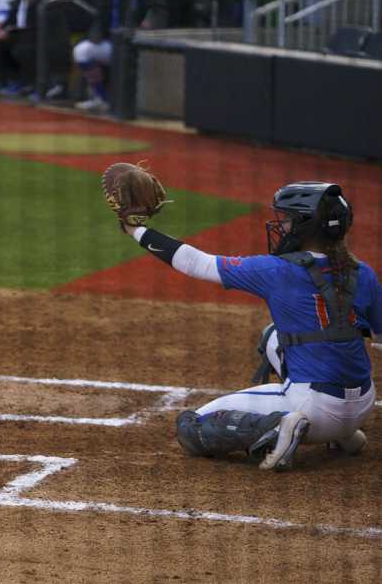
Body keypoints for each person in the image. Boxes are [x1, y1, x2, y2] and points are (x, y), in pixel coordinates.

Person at [121, 181, 377, 471]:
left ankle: (282, 426)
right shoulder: (363, 272)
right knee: (273, 336)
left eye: (290, 219)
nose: (285, 225)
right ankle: (343, 435)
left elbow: (196, 263)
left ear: (307, 226)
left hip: (314, 406)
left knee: (192, 426)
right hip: (363, 403)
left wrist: (135, 229)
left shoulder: (275, 270)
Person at [73, 0, 166, 113]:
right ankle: (101, 98)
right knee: (81, 51)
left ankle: (116, 102)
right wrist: (95, 33)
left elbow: (158, 8)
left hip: (131, 42)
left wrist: (148, 22)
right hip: (109, 39)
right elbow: (101, 13)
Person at [0, 0, 70, 99]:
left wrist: (12, 32)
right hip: (26, 35)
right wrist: (2, 29)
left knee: (24, 48)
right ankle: (15, 81)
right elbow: (12, 18)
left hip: (49, 40)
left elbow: (44, 27)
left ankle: (41, 85)